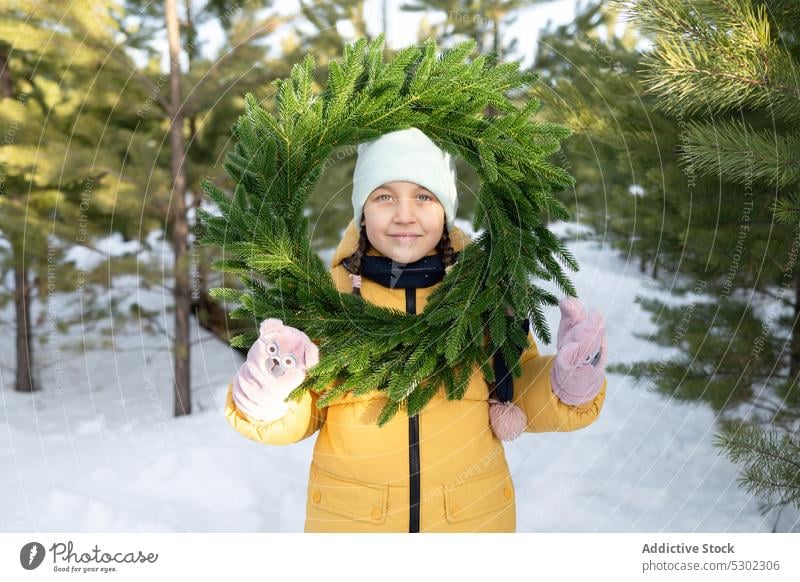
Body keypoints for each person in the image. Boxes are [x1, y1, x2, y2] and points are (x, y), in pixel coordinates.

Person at [224, 127, 609, 532]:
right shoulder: (327, 298)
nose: (404, 214)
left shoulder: (481, 291)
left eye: (424, 196)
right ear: (362, 210)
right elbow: (308, 411)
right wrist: (268, 396)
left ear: (445, 209)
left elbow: (516, 390)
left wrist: (566, 383)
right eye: (384, 196)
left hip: (470, 524)